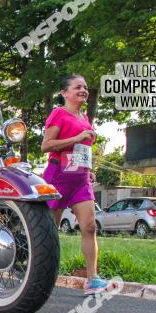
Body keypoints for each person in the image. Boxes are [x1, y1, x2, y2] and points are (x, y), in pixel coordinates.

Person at [40, 74, 107, 294]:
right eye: (78, 87)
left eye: (85, 87)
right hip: (58, 178)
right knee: (50, 231)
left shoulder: (85, 118)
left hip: (80, 181)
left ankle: (93, 279)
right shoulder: (58, 114)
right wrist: (75, 139)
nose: (83, 90)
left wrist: (88, 169)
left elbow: (81, 151)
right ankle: (40, 274)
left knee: (89, 226)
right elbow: (46, 145)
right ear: (64, 93)